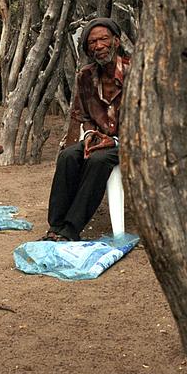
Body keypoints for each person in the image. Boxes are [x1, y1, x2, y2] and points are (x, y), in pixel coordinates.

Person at [43, 17, 129, 241]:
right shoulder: (86, 76)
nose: (98, 46)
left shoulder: (136, 72)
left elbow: (148, 119)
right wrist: (90, 134)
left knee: (98, 160)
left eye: (103, 40)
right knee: (68, 156)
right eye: (92, 42)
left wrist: (116, 141)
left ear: (116, 42)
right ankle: (56, 225)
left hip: (133, 142)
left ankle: (72, 229)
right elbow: (82, 116)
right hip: (100, 138)